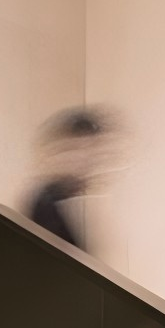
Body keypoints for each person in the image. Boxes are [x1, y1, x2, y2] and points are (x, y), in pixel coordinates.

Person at [21, 106, 121, 252]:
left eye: (91, 150)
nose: (85, 159)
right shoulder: (44, 202)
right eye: (76, 149)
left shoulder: (78, 199)